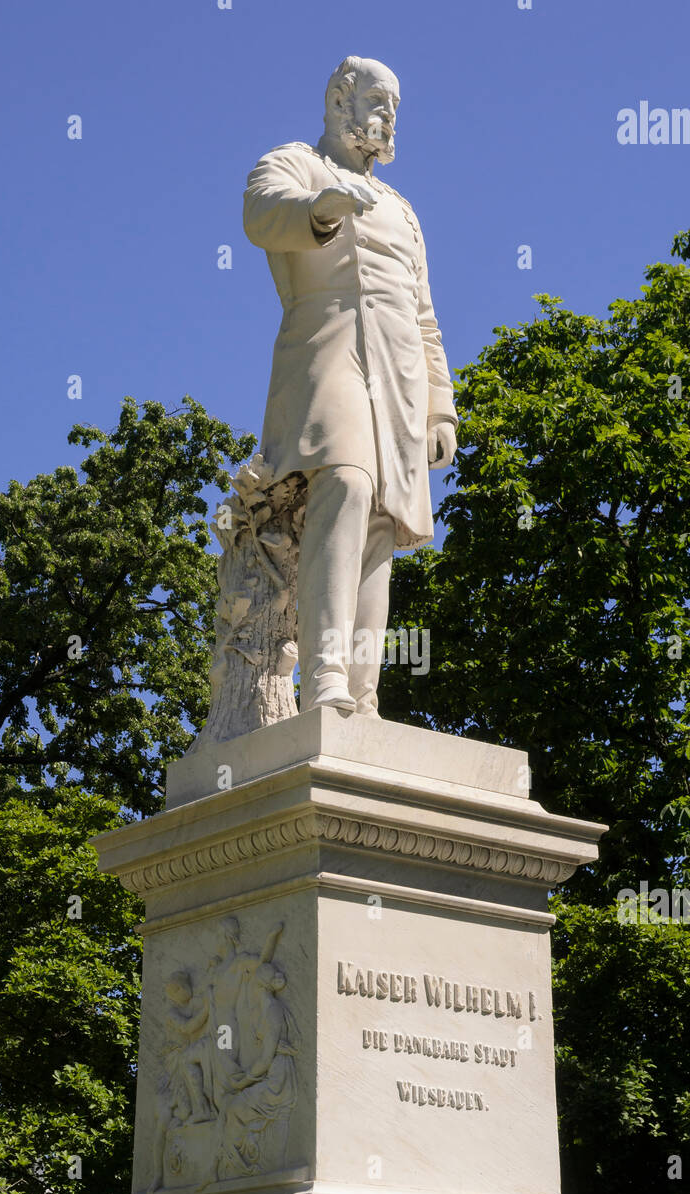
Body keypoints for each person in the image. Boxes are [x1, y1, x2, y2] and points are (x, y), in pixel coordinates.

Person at [243, 56, 457, 718]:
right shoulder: (294, 163)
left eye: (395, 106)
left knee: (379, 522)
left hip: (398, 377)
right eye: (379, 101)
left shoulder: (402, 208)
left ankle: (360, 698)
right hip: (326, 349)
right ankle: (325, 674)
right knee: (345, 481)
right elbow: (259, 214)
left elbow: (424, 316)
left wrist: (441, 409)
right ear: (341, 101)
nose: (389, 117)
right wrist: (321, 208)